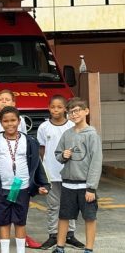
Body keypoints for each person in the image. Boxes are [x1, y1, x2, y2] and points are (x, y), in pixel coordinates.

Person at [0, 106, 50, 253]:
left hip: (22, 187)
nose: (10, 124)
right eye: (5, 121)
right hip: (2, 188)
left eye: (13, 120)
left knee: (20, 222)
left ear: (19, 121)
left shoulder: (30, 141)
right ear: (1, 122)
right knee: (4, 222)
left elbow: (36, 164)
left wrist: (43, 184)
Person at [52, 98, 103, 253]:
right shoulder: (67, 134)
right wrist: (63, 155)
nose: (74, 114)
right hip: (68, 184)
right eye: (71, 112)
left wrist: (91, 188)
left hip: (85, 186)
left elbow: (96, 162)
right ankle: (60, 247)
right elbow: (58, 154)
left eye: (77, 110)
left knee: (89, 217)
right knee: (64, 216)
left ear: (86, 111)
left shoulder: (92, 135)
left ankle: (88, 249)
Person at [36, 96, 84, 250]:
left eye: (59, 107)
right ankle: (53, 234)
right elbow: (41, 150)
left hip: (69, 173)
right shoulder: (44, 127)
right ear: (49, 108)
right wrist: (42, 172)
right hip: (51, 173)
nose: (55, 110)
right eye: (52, 107)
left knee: (70, 204)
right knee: (53, 206)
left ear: (65, 109)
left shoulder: (71, 125)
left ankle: (70, 234)